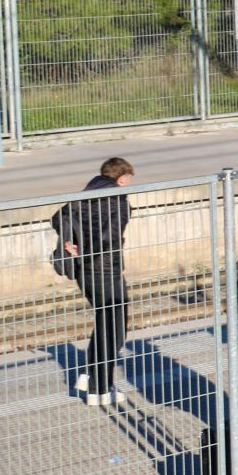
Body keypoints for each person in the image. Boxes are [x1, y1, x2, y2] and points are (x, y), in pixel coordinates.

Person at [53, 156, 136, 405]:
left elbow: (58, 218)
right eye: (129, 180)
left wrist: (71, 242)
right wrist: (92, 251)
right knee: (115, 329)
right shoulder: (117, 199)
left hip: (84, 271)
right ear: (122, 178)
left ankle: (89, 375)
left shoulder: (84, 195)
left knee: (104, 323)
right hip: (107, 270)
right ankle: (100, 389)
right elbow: (110, 236)